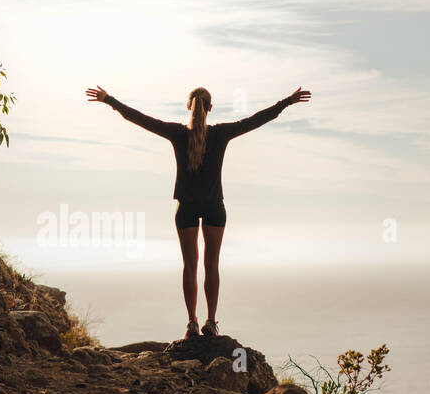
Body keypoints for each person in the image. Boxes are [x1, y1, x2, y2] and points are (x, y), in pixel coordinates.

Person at [86, 84, 312, 339]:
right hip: (214, 206)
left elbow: (139, 118)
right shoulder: (222, 133)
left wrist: (109, 100)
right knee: (211, 265)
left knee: (190, 266)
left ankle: (192, 323)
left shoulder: (176, 133)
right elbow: (257, 119)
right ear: (210, 109)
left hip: (187, 208)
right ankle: (211, 322)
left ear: (188, 107)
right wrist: (287, 101)